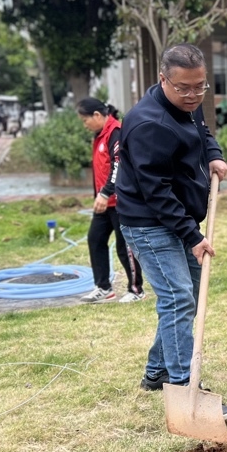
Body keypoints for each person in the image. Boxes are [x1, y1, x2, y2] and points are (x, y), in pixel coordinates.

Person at [116, 44, 227, 417]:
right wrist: (193, 236)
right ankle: (185, 384)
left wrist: (212, 153)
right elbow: (157, 193)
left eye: (200, 87)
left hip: (176, 218)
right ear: (162, 79)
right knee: (178, 297)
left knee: (188, 294)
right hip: (150, 224)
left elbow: (201, 130)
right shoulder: (150, 124)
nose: (193, 96)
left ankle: (157, 371)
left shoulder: (187, 103)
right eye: (184, 88)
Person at [77, 97, 144, 303]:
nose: (84, 124)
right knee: (95, 239)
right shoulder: (99, 135)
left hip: (120, 202)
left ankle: (136, 290)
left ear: (97, 115)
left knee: (124, 248)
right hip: (104, 203)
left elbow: (119, 165)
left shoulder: (115, 133)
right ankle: (103, 287)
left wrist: (105, 192)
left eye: (85, 120)